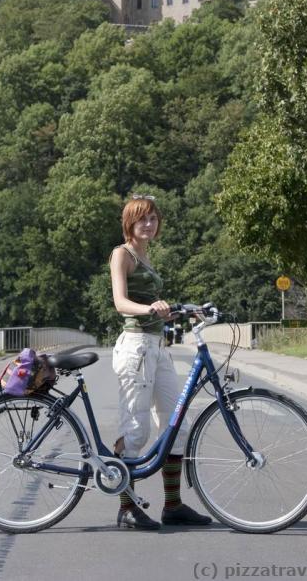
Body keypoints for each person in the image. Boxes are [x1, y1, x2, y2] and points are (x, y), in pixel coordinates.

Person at [110, 194, 212, 530]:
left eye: (153, 219)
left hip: (158, 346)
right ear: (130, 223)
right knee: (136, 430)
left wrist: (185, 308)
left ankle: (173, 505)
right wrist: (149, 309)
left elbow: (156, 306)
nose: (149, 225)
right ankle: (127, 508)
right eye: (142, 220)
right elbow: (121, 302)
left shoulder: (147, 256)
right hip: (136, 347)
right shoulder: (122, 254)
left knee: (176, 425)